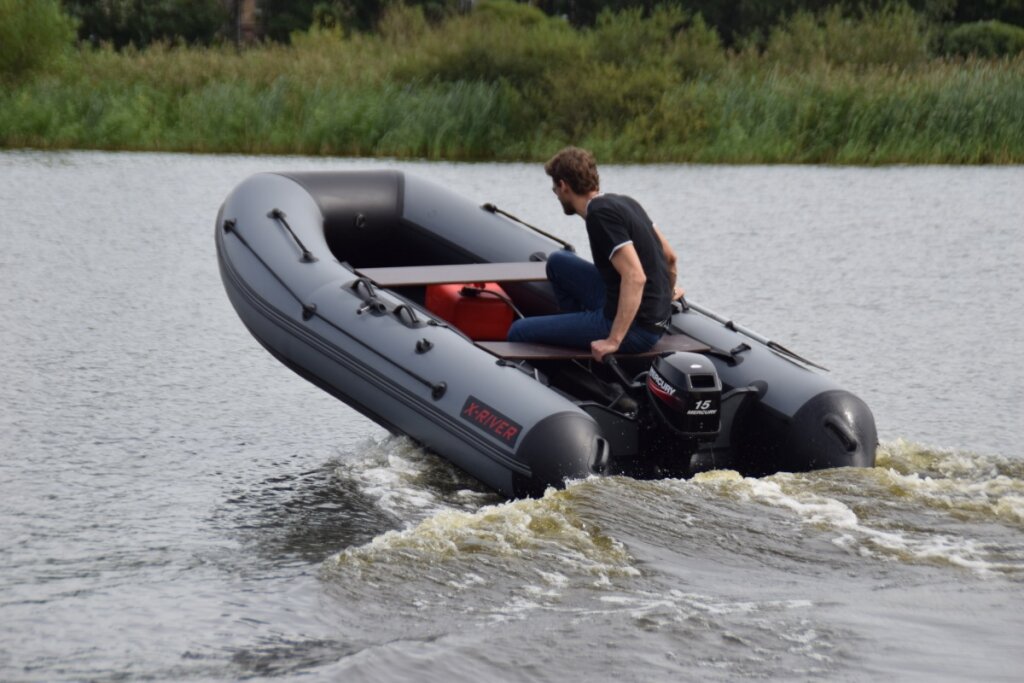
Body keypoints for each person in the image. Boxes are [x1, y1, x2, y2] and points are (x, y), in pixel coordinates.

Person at [507, 146, 683, 362]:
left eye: (554, 189)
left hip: (635, 329)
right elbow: (670, 258)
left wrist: (613, 340)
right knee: (557, 262)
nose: (556, 194)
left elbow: (635, 277)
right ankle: (575, 332)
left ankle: (576, 352)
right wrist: (666, 294)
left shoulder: (599, 216)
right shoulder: (626, 202)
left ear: (563, 186)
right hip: (649, 316)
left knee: (518, 331)